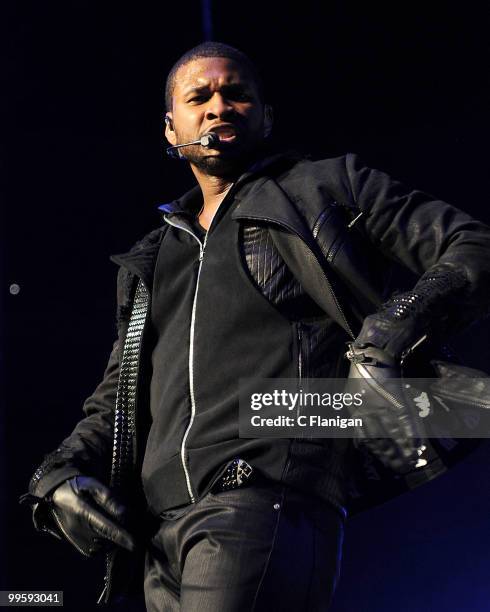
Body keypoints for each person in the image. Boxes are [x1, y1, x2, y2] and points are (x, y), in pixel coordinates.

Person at [20, 41, 490, 611]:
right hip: (159, 538)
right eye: (200, 97)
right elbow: (115, 396)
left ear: (266, 118)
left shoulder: (326, 187)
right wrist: (57, 475)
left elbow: (473, 245)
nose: (219, 106)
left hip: (265, 497)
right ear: (171, 130)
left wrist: (395, 324)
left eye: (236, 94)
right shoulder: (152, 257)